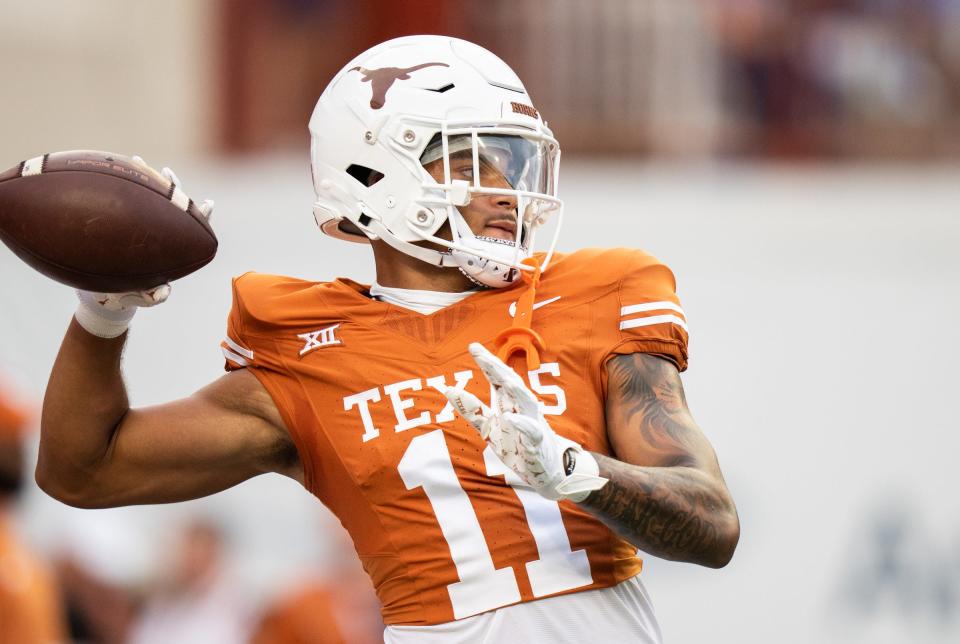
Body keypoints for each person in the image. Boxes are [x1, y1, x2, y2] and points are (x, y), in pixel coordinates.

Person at [37, 35, 739, 642]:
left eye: (513, 165)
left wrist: (579, 472)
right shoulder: (307, 356)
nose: (506, 191)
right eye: (471, 163)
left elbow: (712, 523)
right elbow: (82, 471)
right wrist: (104, 315)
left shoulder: (594, 292)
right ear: (373, 172)